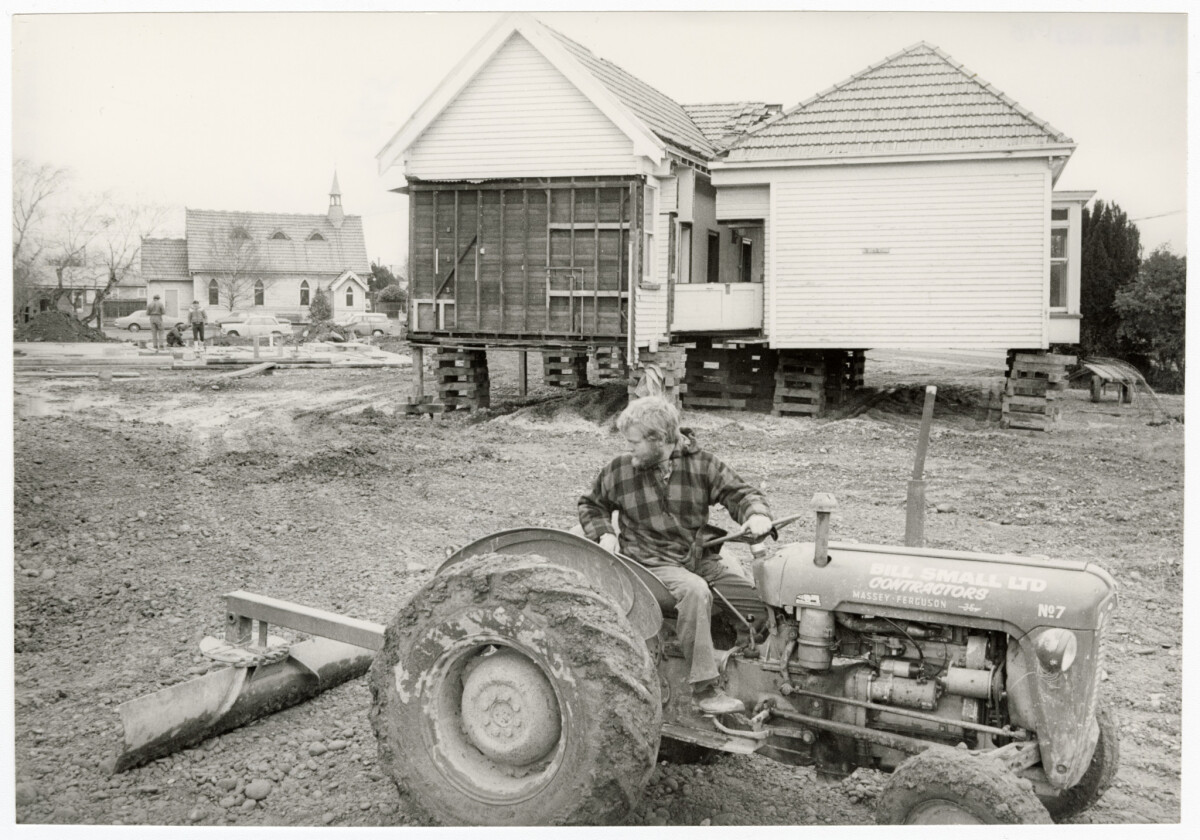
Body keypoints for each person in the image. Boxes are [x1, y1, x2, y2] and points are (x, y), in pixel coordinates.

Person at [578, 395, 773, 715]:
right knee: (694, 592)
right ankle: (704, 690)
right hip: (649, 564)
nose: (629, 449)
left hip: (696, 558)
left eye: (635, 443)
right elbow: (591, 503)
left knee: (760, 609)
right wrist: (605, 533)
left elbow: (740, 494)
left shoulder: (701, 465)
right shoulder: (620, 469)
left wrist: (756, 514)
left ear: (660, 440)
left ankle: (745, 669)